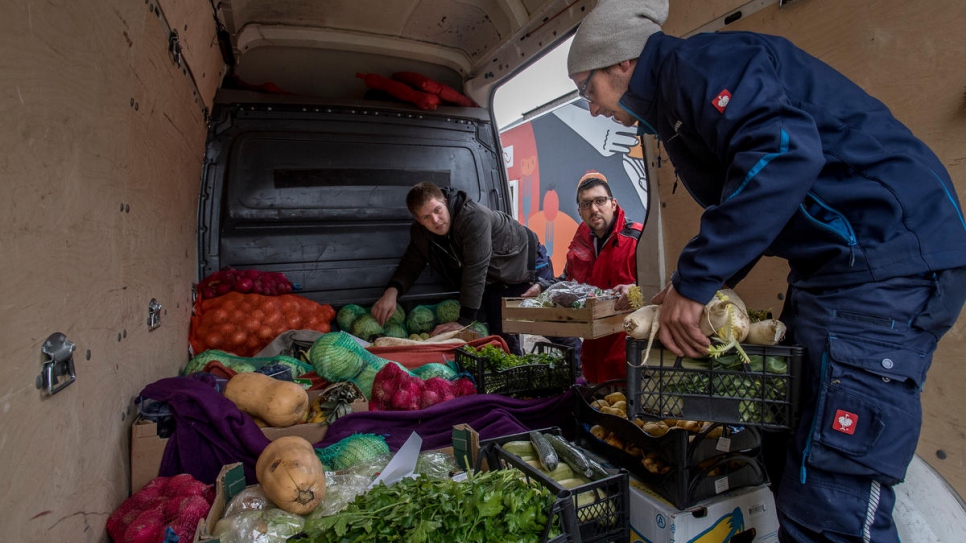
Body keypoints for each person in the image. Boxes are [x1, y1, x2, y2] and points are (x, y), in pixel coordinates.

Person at [566, 1, 966, 541]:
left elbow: (782, 154)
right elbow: (746, 195)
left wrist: (698, 279)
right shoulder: (674, 103)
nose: (590, 108)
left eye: (586, 90)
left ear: (620, 64)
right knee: (785, 447)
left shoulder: (704, 66)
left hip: (883, 264)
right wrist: (698, 285)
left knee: (829, 497)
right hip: (832, 273)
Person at [371, 181, 559, 355]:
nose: (435, 220)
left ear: (445, 201)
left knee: (549, 325)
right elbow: (412, 262)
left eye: (438, 210)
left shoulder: (473, 217)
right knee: (502, 335)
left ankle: (578, 373)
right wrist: (392, 291)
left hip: (526, 264)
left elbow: (475, 268)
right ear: (418, 220)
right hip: (495, 279)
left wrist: (463, 322)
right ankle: (517, 381)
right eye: (426, 217)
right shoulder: (421, 233)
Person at [536, 171, 642, 384]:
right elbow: (568, 280)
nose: (594, 209)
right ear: (580, 211)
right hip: (593, 352)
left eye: (600, 201)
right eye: (586, 204)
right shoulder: (579, 246)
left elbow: (659, 283)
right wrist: (542, 287)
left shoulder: (638, 238)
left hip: (628, 352)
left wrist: (635, 290)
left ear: (613, 203)